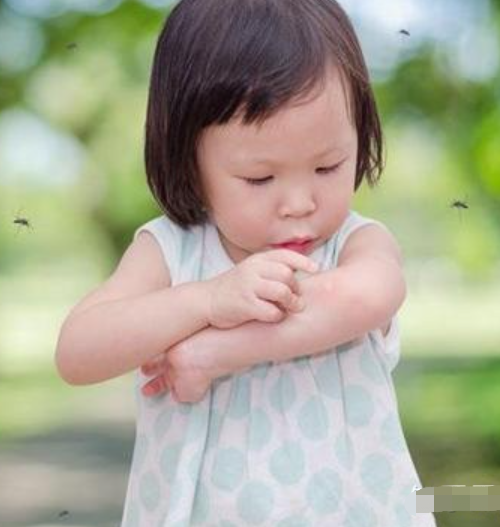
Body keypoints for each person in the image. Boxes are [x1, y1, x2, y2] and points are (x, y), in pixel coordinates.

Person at [54, 0, 437, 525]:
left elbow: (370, 296)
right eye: (260, 178)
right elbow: (77, 351)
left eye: (328, 166)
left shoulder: (354, 245)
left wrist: (217, 352)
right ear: (187, 160)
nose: (299, 202)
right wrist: (208, 299)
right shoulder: (172, 251)